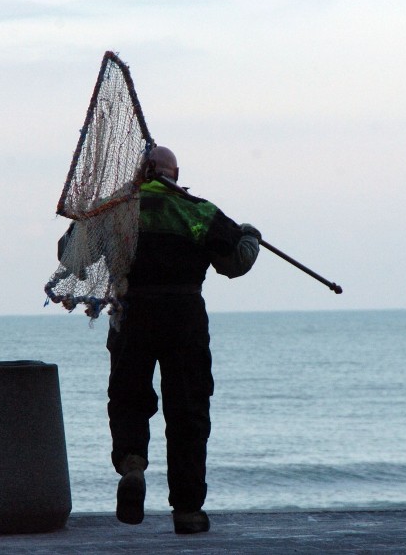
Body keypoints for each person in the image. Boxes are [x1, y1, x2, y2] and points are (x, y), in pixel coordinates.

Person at [103, 145, 260, 534]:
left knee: (129, 400)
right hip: (184, 317)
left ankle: (133, 465)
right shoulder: (199, 211)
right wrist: (250, 236)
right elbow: (234, 264)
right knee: (188, 412)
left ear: (141, 171)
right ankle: (188, 511)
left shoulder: (117, 210)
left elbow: (69, 254)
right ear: (177, 172)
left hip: (130, 314)